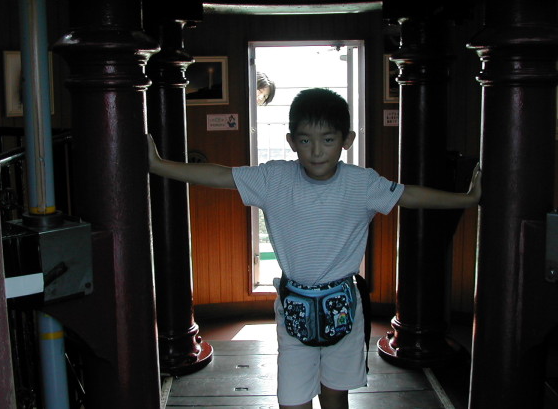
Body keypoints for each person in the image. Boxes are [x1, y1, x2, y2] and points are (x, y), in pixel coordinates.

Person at [147, 88, 482, 409]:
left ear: (347, 140)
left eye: (328, 140)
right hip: (294, 306)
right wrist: (158, 165)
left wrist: (467, 199)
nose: (316, 151)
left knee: (335, 396)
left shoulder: (362, 183)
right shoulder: (273, 178)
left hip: (344, 307)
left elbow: (409, 195)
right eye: (305, 140)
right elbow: (220, 175)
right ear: (291, 141)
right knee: (292, 399)